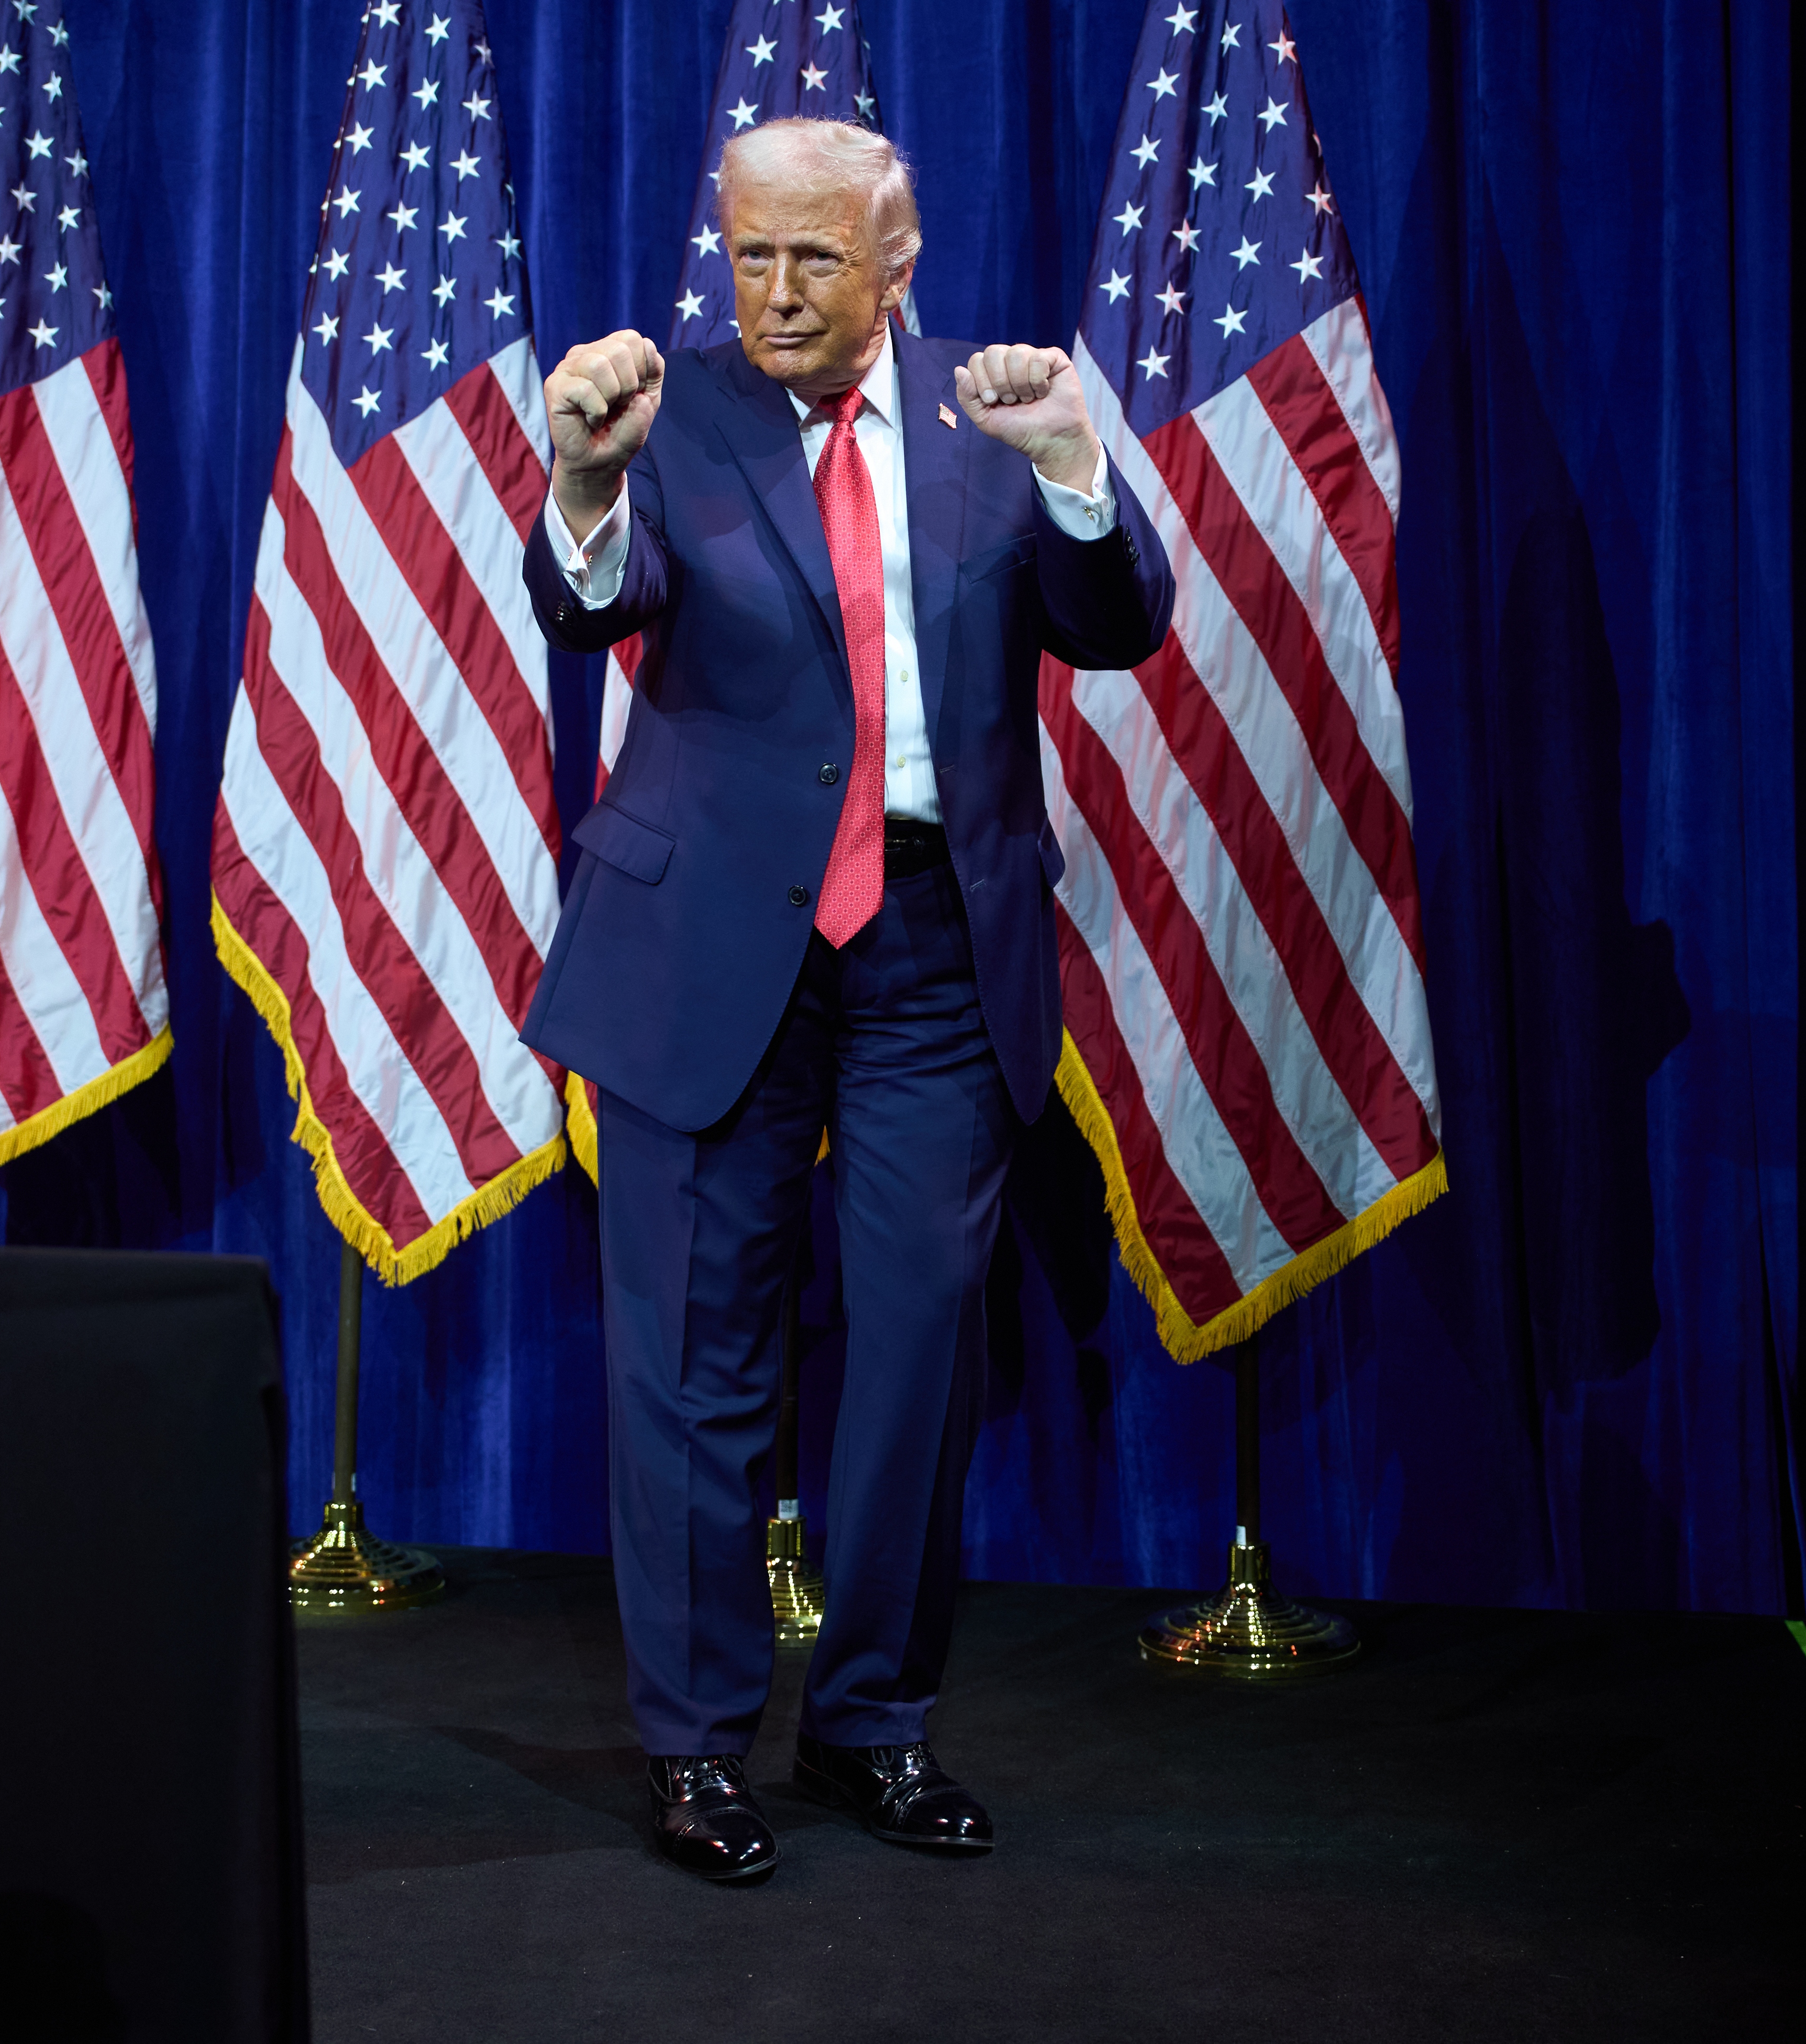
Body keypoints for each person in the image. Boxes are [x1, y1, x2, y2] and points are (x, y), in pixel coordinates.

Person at [519, 116, 1173, 1882]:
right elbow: (593, 606)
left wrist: (1074, 469)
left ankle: (873, 1725)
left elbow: (1119, 626)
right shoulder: (669, 413)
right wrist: (583, 486)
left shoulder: (990, 415)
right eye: (751, 254)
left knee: (914, 1358)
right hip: (707, 953)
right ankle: (694, 1748)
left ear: (897, 264)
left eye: (816, 258)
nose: (778, 292)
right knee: (692, 1365)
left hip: (932, 956)